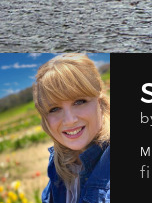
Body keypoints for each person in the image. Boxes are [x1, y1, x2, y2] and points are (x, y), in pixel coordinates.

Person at [33, 53, 110, 203]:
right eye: (54, 109)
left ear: (99, 102)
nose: (69, 120)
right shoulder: (58, 164)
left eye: (80, 101)